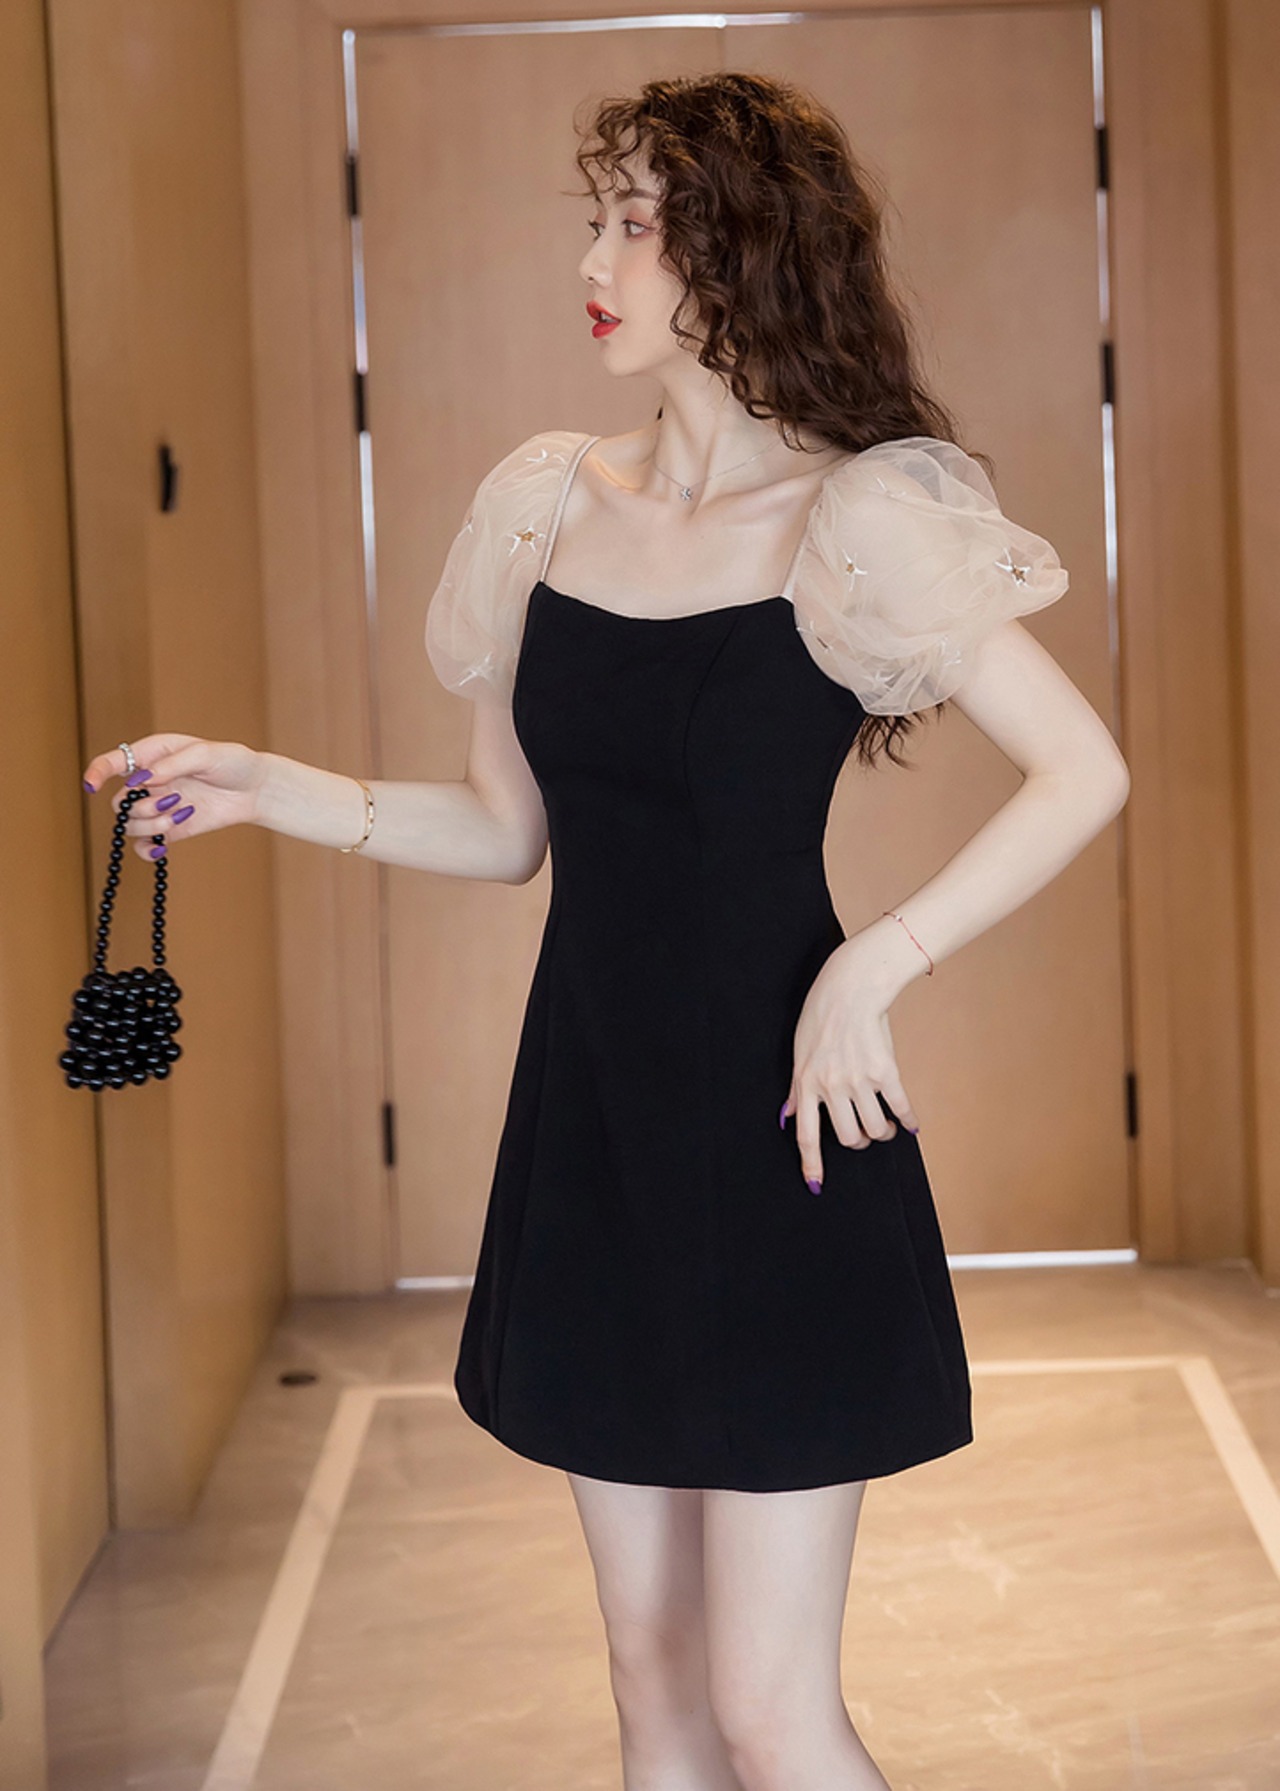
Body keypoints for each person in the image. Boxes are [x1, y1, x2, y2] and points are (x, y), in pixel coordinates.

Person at [83, 70, 1129, 1791]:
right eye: (599, 220)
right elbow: (509, 836)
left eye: (634, 225)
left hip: (787, 1137)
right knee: (650, 1687)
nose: (594, 260)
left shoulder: (858, 519)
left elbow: (1085, 770)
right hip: (593, 1132)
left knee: (771, 1707)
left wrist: (876, 964)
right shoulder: (545, 501)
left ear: (741, 251)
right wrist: (269, 787)